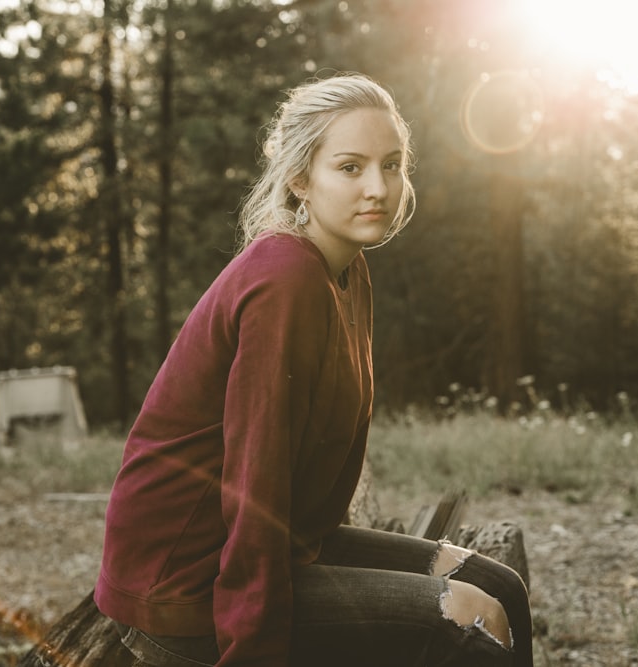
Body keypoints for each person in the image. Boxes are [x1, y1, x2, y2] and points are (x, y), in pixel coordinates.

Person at [94, 72, 533, 667]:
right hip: (190, 581)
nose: (378, 187)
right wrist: (253, 647)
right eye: (350, 167)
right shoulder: (286, 279)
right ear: (301, 178)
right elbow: (257, 474)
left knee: (498, 584)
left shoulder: (348, 271)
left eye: (392, 164)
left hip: (286, 545)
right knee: (475, 620)